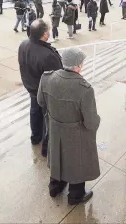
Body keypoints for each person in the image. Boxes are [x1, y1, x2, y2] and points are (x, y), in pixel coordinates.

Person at [37, 47, 99, 205]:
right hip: (76, 135)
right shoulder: (84, 89)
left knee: (57, 155)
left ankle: (55, 187)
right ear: (78, 66)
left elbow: (40, 101)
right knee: (76, 162)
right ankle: (75, 195)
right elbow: (91, 122)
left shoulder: (47, 78)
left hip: (55, 130)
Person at [18, 19, 63, 157]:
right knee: (47, 120)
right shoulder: (47, 55)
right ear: (44, 34)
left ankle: (35, 137)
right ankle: (46, 147)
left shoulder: (23, 45)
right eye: (48, 31)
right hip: (45, 93)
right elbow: (57, 79)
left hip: (31, 87)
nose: (49, 33)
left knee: (34, 112)